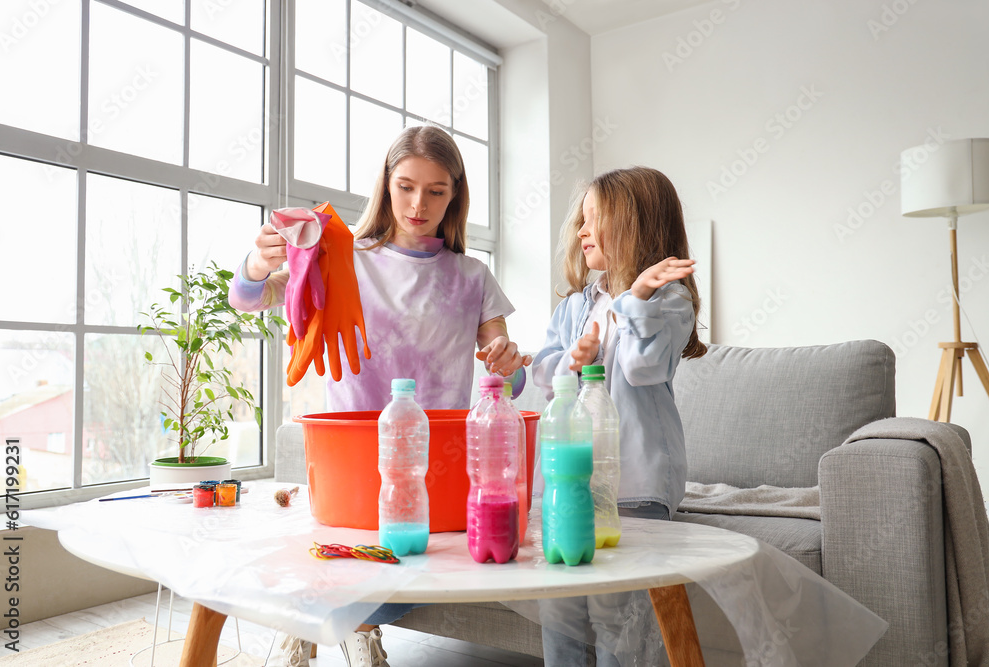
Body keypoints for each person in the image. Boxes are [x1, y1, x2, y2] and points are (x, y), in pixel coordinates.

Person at [229, 125, 532, 667]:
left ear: (455, 195)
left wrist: (508, 363)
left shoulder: (471, 276)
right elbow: (249, 300)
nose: (419, 204)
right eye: (406, 186)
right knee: (346, 551)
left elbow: (505, 380)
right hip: (352, 450)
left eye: (437, 191)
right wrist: (258, 263)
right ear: (385, 187)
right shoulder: (343, 257)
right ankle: (337, 622)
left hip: (437, 456)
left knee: (416, 562)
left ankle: (335, 621)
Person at [530, 166, 707, 666]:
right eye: (580, 221)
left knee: (616, 613)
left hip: (636, 484)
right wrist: (575, 360)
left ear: (632, 225)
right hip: (570, 481)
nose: (581, 231)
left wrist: (635, 299)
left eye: (594, 219)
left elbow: (641, 366)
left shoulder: (669, 301)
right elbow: (548, 377)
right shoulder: (574, 308)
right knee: (559, 604)